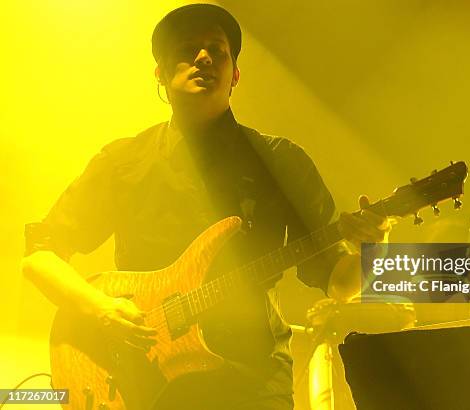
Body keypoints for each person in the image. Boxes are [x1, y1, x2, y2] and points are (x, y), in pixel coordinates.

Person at [21, 4, 390, 409]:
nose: (204, 57)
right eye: (187, 48)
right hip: (140, 373)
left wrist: (379, 243)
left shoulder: (280, 162)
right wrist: (100, 310)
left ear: (234, 75)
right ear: (159, 73)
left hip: (253, 377)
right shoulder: (123, 161)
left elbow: (339, 281)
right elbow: (40, 258)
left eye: (218, 49)